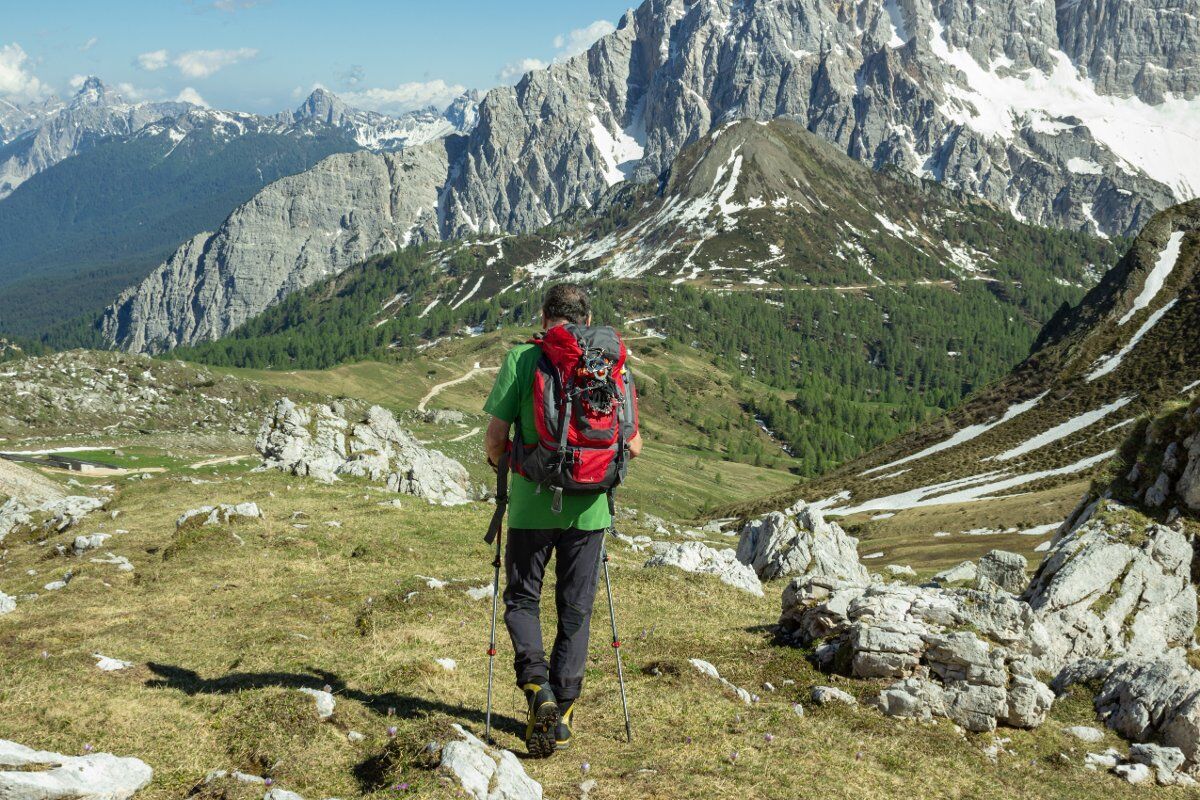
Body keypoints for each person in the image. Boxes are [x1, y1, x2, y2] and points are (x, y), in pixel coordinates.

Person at [483, 283, 642, 758]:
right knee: (575, 611)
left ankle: (537, 690)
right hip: (591, 509)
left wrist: (508, 466)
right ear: (586, 316)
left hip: (533, 504)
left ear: (544, 314)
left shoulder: (523, 359)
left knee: (523, 598)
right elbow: (632, 446)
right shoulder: (612, 364)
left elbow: (495, 439)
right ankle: (565, 715)